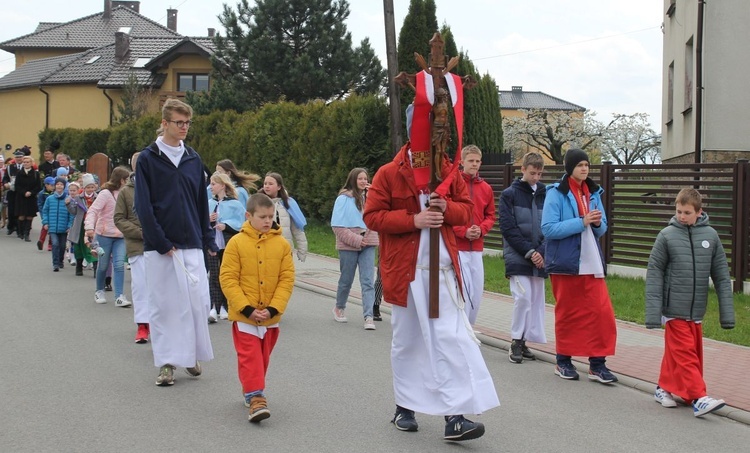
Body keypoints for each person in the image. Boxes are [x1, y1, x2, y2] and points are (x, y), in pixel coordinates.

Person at [363, 107, 499, 442]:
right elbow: (373, 216)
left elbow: (467, 211)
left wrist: (444, 209)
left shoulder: (448, 171)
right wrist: (414, 220)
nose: (433, 141)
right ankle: (404, 407)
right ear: (413, 134)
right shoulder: (389, 172)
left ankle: (455, 416)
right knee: (408, 342)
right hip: (407, 274)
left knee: (450, 339)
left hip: (441, 274)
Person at [135, 98, 216, 387]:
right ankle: (168, 363)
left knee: (196, 303)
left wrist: (208, 238)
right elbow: (143, 206)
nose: (184, 128)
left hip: (192, 241)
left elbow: (200, 203)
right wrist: (160, 241)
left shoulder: (194, 159)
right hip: (161, 246)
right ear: (165, 123)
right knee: (165, 306)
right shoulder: (148, 159)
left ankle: (190, 354)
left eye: (187, 123)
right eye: (179, 123)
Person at [646, 188, 735, 417]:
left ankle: (663, 388)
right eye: (678, 211)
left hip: (696, 310)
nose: (682, 216)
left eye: (687, 212)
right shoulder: (666, 235)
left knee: (681, 354)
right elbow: (654, 273)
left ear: (699, 212)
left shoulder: (711, 237)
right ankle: (699, 398)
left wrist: (727, 315)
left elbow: (722, 277)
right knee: (686, 355)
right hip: (673, 309)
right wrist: (654, 314)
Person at [541, 148, 618, 383]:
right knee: (569, 313)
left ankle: (598, 364)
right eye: (580, 165)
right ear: (569, 168)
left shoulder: (593, 192)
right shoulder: (556, 193)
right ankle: (563, 361)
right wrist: (581, 221)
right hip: (566, 262)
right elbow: (548, 228)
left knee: (602, 313)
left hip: (591, 262)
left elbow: (602, 227)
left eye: (587, 164)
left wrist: (595, 224)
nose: (585, 168)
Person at [220, 193, 295, 423]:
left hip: (271, 317)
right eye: (262, 216)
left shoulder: (282, 245)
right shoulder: (236, 243)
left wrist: (274, 309)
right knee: (250, 356)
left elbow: (286, 279)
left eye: (271, 216)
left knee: (262, 358)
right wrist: (245, 308)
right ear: (248, 216)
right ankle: (256, 398)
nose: (267, 220)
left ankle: (251, 389)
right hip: (245, 316)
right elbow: (228, 278)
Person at [499, 151, 548, 364]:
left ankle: (525, 339)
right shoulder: (509, 194)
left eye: (539, 174)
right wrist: (530, 252)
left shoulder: (546, 194)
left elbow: (549, 226)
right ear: (523, 170)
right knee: (523, 298)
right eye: (532, 173)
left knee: (535, 301)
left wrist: (542, 251)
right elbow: (508, 228)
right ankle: (515, 341)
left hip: (540, 255)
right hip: (518, 255)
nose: (536, 178)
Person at [452, 145, 496, 325]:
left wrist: (481, 229)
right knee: (462, 290)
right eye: (471, 161)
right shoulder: (454, 185)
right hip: (458, 248)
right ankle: (459, 328)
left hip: (477, 249)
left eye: (477, 161)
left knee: (476, 292)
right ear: (462, 162)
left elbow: (491, 215)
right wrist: (463, 231)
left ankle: (469, 327)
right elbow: (447, 214)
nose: (475, 164)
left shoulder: (486, 188)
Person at [331, 168, 379, 330]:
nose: (364, 181)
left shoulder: (370, 197)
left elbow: (377, 217)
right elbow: (337, 225)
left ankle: (368, 316)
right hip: (349, 244)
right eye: (360, 179)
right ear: (353, 180)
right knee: (346, 279)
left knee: (367, 281)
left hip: (369, 242)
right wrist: (357, 240)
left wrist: (374, 195)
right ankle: (339, 307)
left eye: (366, 178)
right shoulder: (343, 199)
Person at [113, 153, 150, 344]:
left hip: (162, 246)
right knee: (141, 287)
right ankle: (143, 325)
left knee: (163, 288)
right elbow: (119, 218)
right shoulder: (126, 192)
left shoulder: (159, 187)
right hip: (138, 247)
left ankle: (162, 325)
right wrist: (140, 232)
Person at [85, 167, 131, 308]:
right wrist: (89, 228)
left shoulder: (127, 193)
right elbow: (93, 211)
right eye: (127, 179)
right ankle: (99, 291)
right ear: (121, 180)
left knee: (118, 265)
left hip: (121, 236)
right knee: (103, 265)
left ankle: (119, 296)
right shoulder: (105, 194)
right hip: (104, 235)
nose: (129, 181)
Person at [206, 171, 245, 323]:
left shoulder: (235, 204)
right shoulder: (209, 204)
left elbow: (241, 223)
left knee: (227, 274)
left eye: (213, 184)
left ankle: (226, 306)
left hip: (228, 242)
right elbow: (200, 223)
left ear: (222, 185)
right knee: (214, 273)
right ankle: (214, 307)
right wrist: (208, 220)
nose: (210, 187)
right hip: (212, 243)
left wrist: (226, 225)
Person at [261, 172, 308, 262]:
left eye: (270, 184)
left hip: (285, 248)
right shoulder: (258, 202)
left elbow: (297, 228)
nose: (266, 186)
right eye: (265, 183)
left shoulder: (287, 204)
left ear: (279, 187)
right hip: (265, 248)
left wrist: (302, 250)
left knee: (285, 274)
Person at [67, 174, 98, 276]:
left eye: (92, 187)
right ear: (84, 187)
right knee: (79, 246)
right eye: (88, 187)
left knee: (92, 245)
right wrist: (68, 204)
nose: (90, 189)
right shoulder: (78, 198)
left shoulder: (98, 198)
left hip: (92, 226)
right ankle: (79, 267)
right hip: (80, 225)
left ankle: (95, 269)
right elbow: (74, 211)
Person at [42, 177, 74, 271]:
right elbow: (45, 211)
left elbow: (71, 214)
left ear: (64, 186)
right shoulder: (50, 199)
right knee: (55, 244)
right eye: (57, 184)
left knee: (63, 246)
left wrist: (69, 225)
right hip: (52, 227)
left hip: (63, 227)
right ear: (54, 186)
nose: (59, 186)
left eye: (61, 184)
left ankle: (60, 261)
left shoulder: (68, 199)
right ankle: (55, 264)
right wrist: (45, 222)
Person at [13, 155, 41, 242]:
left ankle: (27, 233)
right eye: (24, 162)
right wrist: (24, 192)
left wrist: (31, 192)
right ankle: (20, 231)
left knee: (29, 216)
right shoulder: (19, 173)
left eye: (27, 162)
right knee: (21, 216)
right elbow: (17, 185)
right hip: (21, 197)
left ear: (31, 163)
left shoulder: (36, 174)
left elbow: (38, 186)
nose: (26, 163)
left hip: (31, 198)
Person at [2, 150, 25, 236]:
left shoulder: (25, 166)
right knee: (11, 211)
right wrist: (5, 184)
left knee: (20, 211)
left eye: (20, 157)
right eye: (17, 157)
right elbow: (5, 178)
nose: (18, 159)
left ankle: (19, 229)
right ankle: (11, 227)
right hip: (12, 191)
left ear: (23, 157)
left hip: (21, 192)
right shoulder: (10, 167)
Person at [36, 176, 56, 251]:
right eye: (51, 185)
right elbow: (40, 205)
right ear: (46, 185)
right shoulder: (41, 194)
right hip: (46, 213)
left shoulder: (55, 193)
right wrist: (42, 215)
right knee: (45, 227)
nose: (53, 187)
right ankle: (41, 241)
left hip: (53, 212)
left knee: (52, 229)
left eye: (54, 185)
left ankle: (50, 243)